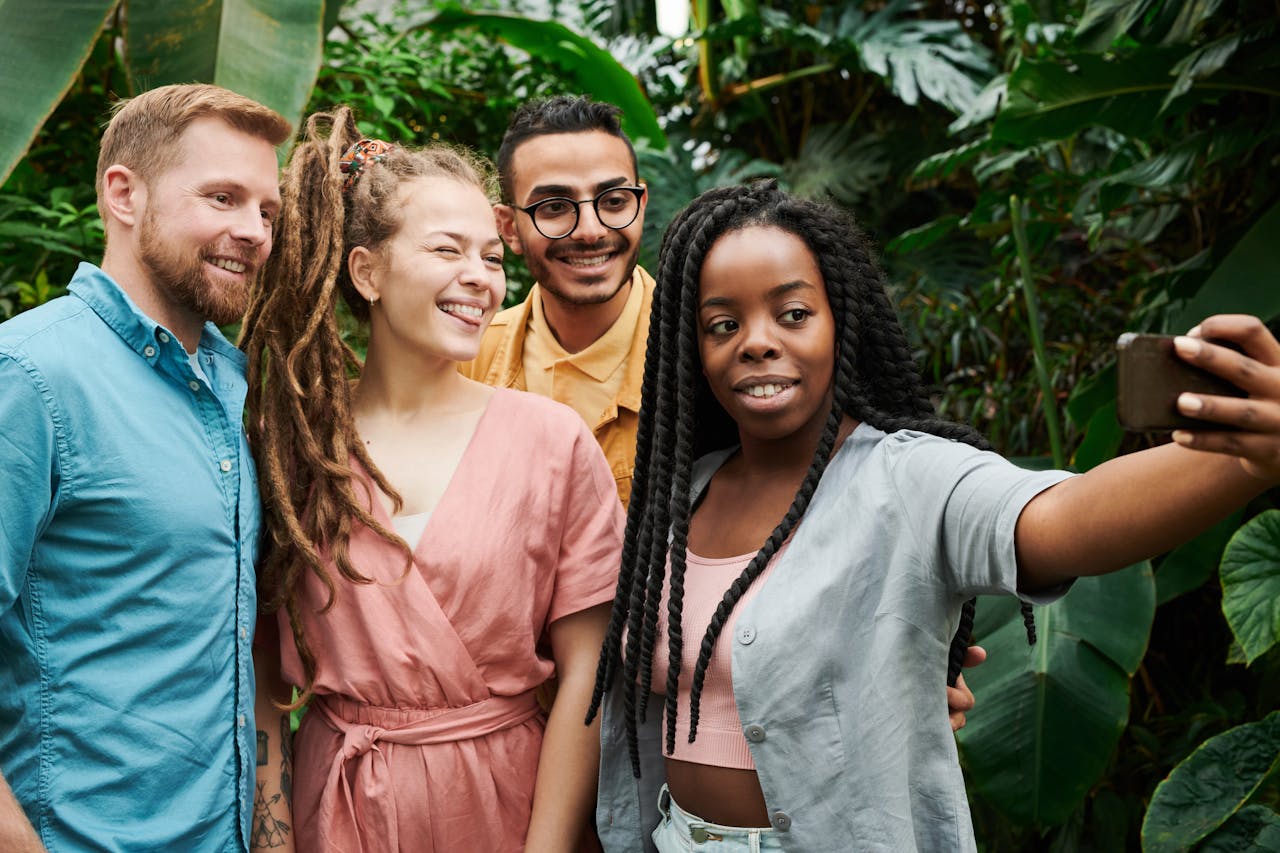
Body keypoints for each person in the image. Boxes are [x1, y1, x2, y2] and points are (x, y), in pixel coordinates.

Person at [588, 181, 1280, 852]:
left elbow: (1062, 517)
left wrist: (1243, 460)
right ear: (693, 350)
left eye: (793, 313)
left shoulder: (910, 477)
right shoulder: (682, 501)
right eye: (723, 324)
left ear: (842, 322)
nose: (757, 341)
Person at [464, 94, 983, 728]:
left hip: (685, 736)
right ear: (509, 225)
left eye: (613, 199)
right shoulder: (466, 365)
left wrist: (904, 649)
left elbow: (843, 508)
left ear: (640, 203)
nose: (590, 228)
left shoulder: (721, 362)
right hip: (500, 738)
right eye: (552, 207)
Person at [239, 107, 624, 852]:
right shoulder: (296, 447)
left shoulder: (549, 440)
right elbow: (260, 673)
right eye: (448, 250)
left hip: (504, 804)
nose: (479, 279)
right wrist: (276, 836)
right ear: (367, 270)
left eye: (491, 256)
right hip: (337, 807)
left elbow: (589, 674)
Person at [0, 84, 290, 852]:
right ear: (123, 194)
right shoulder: (30, 376)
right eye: (223, 197)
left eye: (267, 210)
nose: (253, 231)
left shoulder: (236, 387)